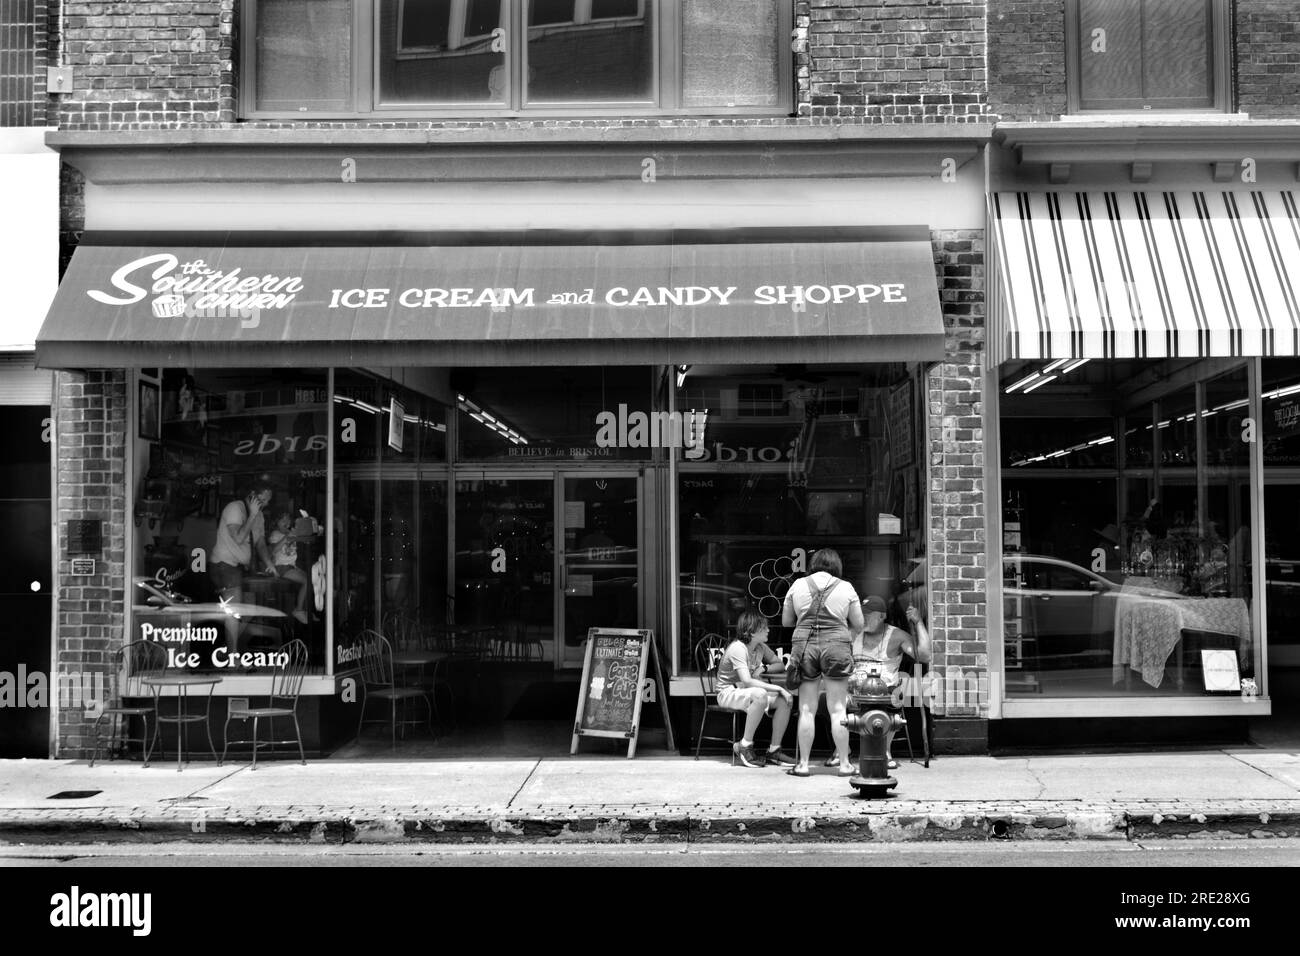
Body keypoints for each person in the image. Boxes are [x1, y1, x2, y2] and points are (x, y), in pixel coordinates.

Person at [780, 548, 864, 777]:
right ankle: (845, 764)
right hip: (836, 645)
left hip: (805, 645)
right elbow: (859, 623)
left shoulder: (798, 585)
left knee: (807, 708)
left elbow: (787, 621)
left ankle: (804, 764)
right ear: (836, 566)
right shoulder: (845, 587)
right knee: (838, 708)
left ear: (813, 565)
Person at [832, 595, 932, 770]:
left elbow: (924, 655)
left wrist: (918, 622)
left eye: (869, 614)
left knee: (892, 698)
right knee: (832, 699)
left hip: (885, 692)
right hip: (855, 692)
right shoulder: (853, 633)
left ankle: (884, 750)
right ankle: (842, 749)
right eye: (861, 614)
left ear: (882, 616)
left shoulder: (896, 635)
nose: (864, 618)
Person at [714, 609, 795, 768]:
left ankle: (774, 751)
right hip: (727, 692)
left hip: (745, 691)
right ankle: (744, 745)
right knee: (761, 694)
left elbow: (779, 663)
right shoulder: (738, 648)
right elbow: (747, 680)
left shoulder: (759, 647)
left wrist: (764, 668)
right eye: (764, 627)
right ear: (752, 631)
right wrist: (778, 688)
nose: (768, 630)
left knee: (784, 700)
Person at [209, 480, 275, 605]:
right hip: (224, 565)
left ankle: (234, 624)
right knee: (235, 610)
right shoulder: (235, 508)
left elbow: (260, 543)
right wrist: (252, 515)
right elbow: (239, 538)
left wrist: (269, 563)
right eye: (263, 500)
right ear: (252, 494)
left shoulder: (259, 516)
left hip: (242, 567)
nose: (266, 504)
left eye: (268, 501)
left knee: (250, 608)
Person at [268, 510, 313, 625]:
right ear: (276, 522)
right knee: (307, 581)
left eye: (288, 519)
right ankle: (298, 610)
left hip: (291, 566)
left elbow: (303, 539)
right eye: (282, 520)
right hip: (281, 567)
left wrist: (306, 539)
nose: (286, 522)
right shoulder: (275, 534)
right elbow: (273, 550)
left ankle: (306, 610)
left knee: (312, 580)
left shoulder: (291, 533)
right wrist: (286, 537)